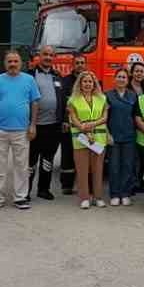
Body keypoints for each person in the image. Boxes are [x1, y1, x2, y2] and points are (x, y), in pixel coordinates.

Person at [0, 50, 40, 211]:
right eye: (10, 61)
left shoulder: (29, 80)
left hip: (22, 130)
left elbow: (35, 103)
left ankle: (20, 197)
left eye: (15, 61)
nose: (13, 64)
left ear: (20, 63)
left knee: (21, 165)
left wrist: (33, 125)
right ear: (5, 63)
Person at [27, 45, 68, 201]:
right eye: (45, 54)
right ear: (39, 55)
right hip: (35, 125)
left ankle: (43, 189)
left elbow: (64, 101)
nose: (48, 58)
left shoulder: (57, 76)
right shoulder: (30, 75)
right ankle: (26, 191)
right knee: (31, 160)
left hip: (54, 126)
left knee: (48, 159)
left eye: (51, 55)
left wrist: (64, 119)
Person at [66, 70, 109, 209]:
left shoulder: (102, 98)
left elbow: (105, 117)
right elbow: (73, 118)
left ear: (94, 83)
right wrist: (84, 128)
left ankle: (97, 197)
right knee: (82, 169)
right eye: (85, 81)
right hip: (80, 137)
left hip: (99, 137)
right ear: (80, 83)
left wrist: (92, 125)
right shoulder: (72, 100)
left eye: (90, 81)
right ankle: (84, 197)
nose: (87, 84)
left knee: (98, 168)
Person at [104, 68, 139, 206]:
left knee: (128, 165)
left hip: (129, 136)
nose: (121, 79)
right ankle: (114, 194)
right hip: (113, 136)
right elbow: (104, 118)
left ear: (127, 80)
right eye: (119, 76)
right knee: (113, 166)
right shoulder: (108, 95)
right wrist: (107, 134)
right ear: (114, 78)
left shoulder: (133, 96)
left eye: (124, 77)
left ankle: (125, 193)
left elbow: (136, 116)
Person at [60, 56, 89, 195]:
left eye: (82, 63)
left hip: (87, 124)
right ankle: (67, 185)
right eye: (77, 63)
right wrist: (65, 120)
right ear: (73, 65)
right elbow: (63, 104)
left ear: (86, 64)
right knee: (68, 154)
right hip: (70, 124)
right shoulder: (65, 81)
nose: (80, 65)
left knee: (85, 154)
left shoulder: (91, 80)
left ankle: (83, 184)